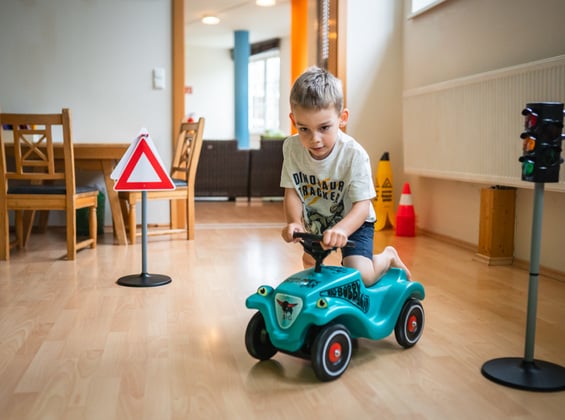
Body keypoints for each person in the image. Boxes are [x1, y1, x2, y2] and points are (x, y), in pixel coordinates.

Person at [280, 66, 411, 287]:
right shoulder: (291, 148)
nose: (315, 139)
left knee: (362, 276)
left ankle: (387, 257)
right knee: (310, 266)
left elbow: (362, 206)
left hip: (355, 221)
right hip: (318, 220)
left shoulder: (354, 154)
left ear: (342, 118)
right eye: (304, 129)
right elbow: (291, 191)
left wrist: (342, 229)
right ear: (293, 120)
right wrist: (294, 222)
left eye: (324, 127)